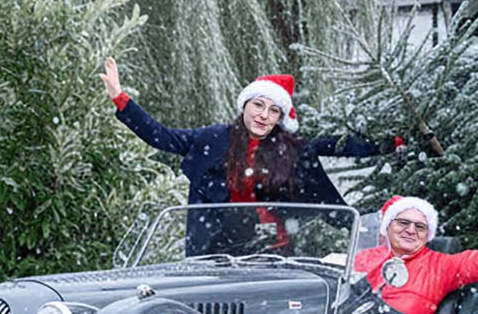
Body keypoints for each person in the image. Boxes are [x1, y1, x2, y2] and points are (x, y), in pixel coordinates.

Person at [101, 58, 395, 255]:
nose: (263, 116)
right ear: (245, 105)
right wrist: (120, 98)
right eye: (258, 105)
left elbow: (337, 146)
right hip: (215, 248)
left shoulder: (289, 149)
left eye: (273, 110)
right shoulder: (214, 138)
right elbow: (162, 136)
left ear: (280, 117)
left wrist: (390, 144)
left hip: (272, 249)